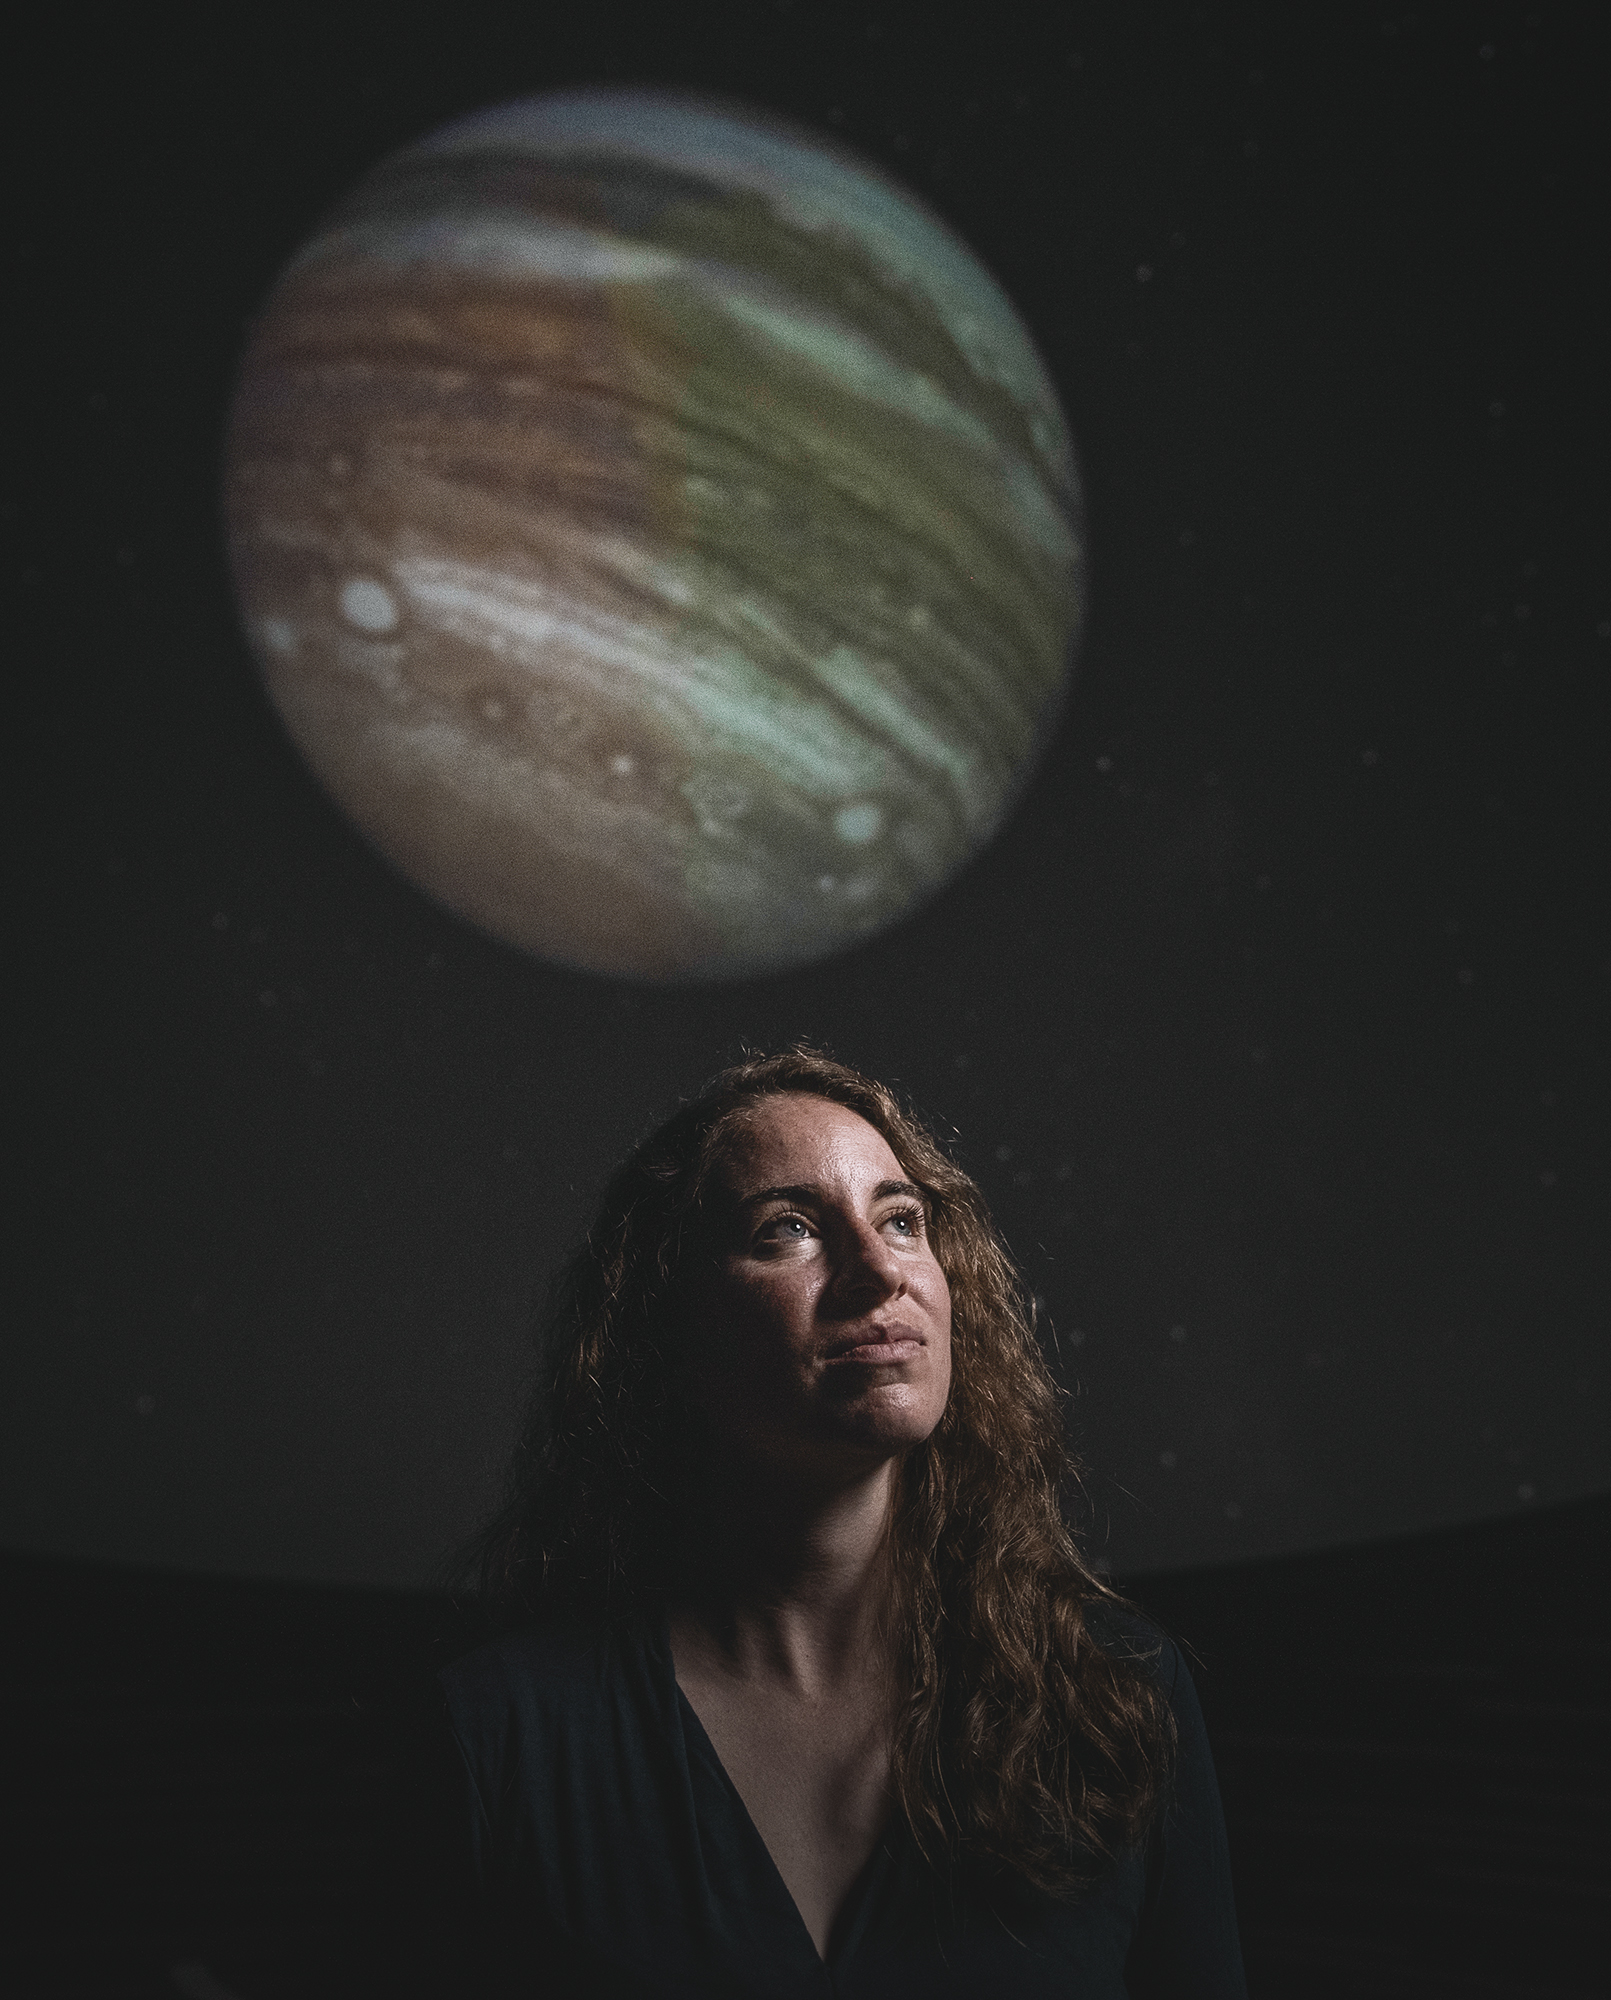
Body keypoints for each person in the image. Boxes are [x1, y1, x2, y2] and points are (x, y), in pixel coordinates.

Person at [422, 1047, 1248, 1997]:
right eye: (789, 1229)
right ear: (666, 1324)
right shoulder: (499, 1734)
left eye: (902, 1221)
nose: (877, 1271)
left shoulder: (1116, 1695)